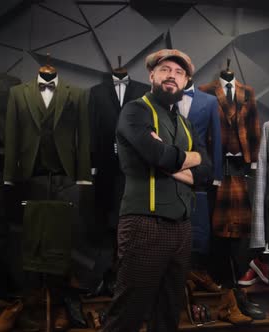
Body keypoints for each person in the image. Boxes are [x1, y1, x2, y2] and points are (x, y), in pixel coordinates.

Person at [101, 49, 212, 331]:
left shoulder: (185, 123)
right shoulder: (136, 110)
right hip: (144, 223)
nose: (171, 76)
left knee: (169, 312)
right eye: (165, 70)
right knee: (128, 313)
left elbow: (206, 173)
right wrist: (184, 158)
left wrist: (173, 159)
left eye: (178, 72)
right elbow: (157, 156)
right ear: (152, 75)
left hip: (182, 227)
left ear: (186, 81)